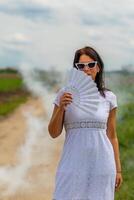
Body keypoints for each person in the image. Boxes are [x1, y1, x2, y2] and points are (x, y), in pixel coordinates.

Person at [48, 46, 123, 200]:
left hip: (102, 163)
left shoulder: (109, 97)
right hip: (72, 163)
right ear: (76, 69)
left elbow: (112, 135)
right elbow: (53, 133)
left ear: (98, 67)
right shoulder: (64, 94)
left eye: (91, 64)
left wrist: (118, 170)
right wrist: (61, 108)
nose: (86, 69)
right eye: (81, 66)